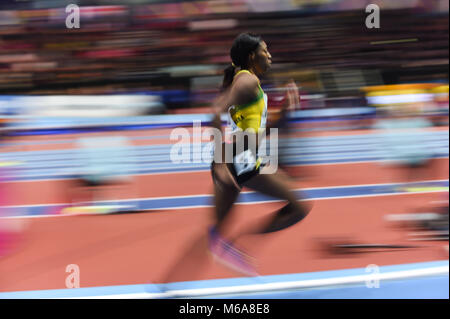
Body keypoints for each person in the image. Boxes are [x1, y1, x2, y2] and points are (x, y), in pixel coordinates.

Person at [208, 33, 312, 275]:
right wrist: (221, 163)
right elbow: (214, 112)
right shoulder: (247, 82)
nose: (270, 56)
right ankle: (239, 245)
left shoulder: (248, 83)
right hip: (238, 161)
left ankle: (224, 247)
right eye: (266, 51)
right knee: (299, 207)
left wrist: (284, 112)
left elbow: (258, 132)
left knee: (217, 234)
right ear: (252, 56)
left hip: (240, 158)